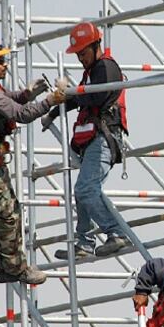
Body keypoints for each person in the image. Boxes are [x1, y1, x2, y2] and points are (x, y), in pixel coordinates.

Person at [0, 36, 66, 285]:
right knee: (6, 217)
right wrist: (49, 101)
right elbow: (20, 114)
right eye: (0, 61)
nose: (5, 64)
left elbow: (6, 101)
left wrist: (26, 94)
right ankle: (17, 270)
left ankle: (6, 267)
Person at [47, 22, 130, 260]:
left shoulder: (105, 67)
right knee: (82, 190)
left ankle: (116, 233)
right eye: (78, 55)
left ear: (95, 46)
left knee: (86, 188)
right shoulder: (93, 71)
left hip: (104, 138)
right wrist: (55, 109)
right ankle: (84, 242)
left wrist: (69, 92)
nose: (81, 58)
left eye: (83, 53)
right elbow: (81, 97)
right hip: (95, 138)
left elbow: (97, 96)